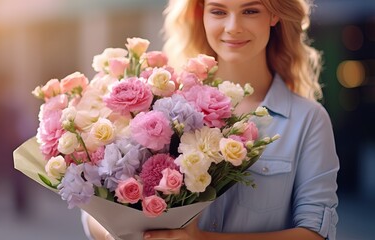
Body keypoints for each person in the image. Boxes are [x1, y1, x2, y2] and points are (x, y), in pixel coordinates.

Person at [83, 0, 339, 239]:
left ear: (274, 14)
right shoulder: (163, 103)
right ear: (201, 14)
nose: (233, 27)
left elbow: (314, 233)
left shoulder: (309, 120)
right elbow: (93, 206)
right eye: (218, 11)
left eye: (250, 11)